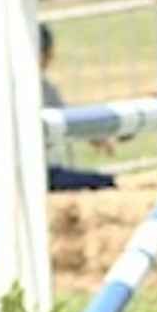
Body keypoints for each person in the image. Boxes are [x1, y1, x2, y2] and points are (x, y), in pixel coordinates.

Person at [39, 24, 118, 192]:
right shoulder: (42, 89)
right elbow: (69, 124)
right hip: (42, 175)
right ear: (45, 54)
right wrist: (98, 138)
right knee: (106, 182)